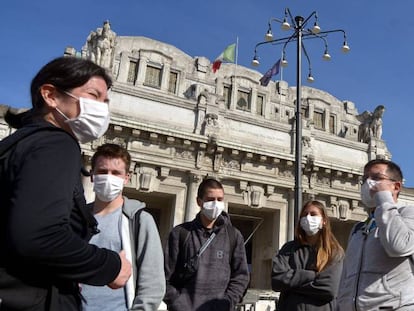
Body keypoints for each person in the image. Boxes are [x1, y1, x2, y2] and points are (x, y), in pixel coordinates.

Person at [0, 56, 131, 310]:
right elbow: (40, 236)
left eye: (106, 101)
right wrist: (110, 265)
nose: (102, 109)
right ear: (50, 95)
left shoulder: (15, 146)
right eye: (94, 95)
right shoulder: (56, 143)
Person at [81, 143, 165, 311]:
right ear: (92, 175)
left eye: (116, 173)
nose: (108, 177)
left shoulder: (141, 220)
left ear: (127, 178)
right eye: (103, 172)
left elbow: (153, 282)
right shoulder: (77, 219)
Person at [337, 159, 414, 311]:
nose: (368, 184)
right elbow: (346, 276)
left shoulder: (408, 214)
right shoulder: (358, 228)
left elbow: (398, 246)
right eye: (365, 179)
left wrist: (384, 200)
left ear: (396, 186)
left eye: (377, 178)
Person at [163, 178, 250, 311]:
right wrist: (178, 303)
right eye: (210, 199)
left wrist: (226, 302)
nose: (216, 204)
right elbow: (164, 277)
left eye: (220, 199)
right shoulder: (180, 233)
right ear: (199, 201)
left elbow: (241, 277)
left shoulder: (234, 236)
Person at [271, 200, 344, 311]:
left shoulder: (334, 252)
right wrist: (312, 276)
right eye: (305, 215)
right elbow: (277, 280)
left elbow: (329, 289)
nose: (308, 218)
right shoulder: (288, 249)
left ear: (324, 221)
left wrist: (291, 286)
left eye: (313, 214)